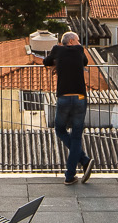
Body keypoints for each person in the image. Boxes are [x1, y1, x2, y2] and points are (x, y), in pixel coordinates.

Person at [37, 31, 93, 183]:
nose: (80, 43)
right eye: (78, 40)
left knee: (60, 129)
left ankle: (81, 163)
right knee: (76, 136)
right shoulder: (80, 50)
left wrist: (58, 62)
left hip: (63, 97)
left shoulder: (57, 49)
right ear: (71, 41)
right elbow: (85, 62)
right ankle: (77, 167)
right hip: (80, 97)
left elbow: (46, 62)